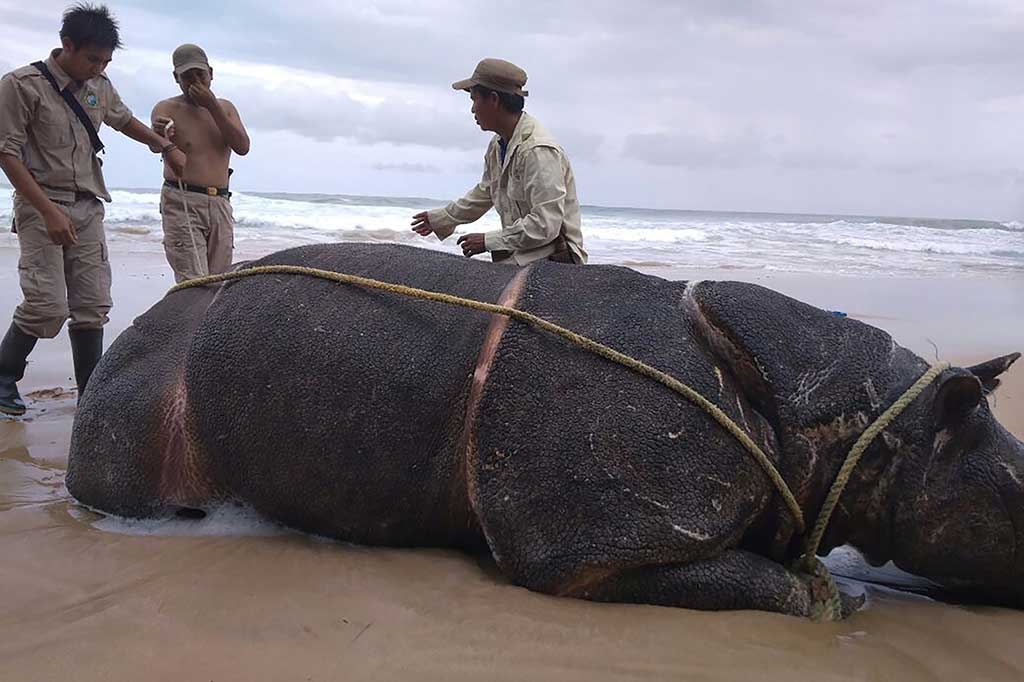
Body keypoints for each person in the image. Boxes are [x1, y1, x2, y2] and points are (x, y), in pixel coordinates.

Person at [0, 3, 186, 416]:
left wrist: (166, 147)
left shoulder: (98, 84)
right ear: (66, 45)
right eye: (92, 59)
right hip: (40, 205)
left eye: (106, 61)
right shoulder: (21, 85)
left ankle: (92, 394)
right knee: (47, 305)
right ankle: (3, 374)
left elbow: (124, 120)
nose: (99, 67)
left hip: (88, 205)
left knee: (92, 305)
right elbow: (7, 153)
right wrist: (47, 211)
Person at [411, 58, 586, 266]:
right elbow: (485, 192)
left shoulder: (538, 151)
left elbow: (545, 225)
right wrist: (442, 218)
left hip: (555, 260)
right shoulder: (498, 144)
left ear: (493, 99)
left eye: (474, 99)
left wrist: (487, 241)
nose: (473, 109)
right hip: (522, 253)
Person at [151, 43, 250, 283]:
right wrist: (161, 134)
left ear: (211, 74)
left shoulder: (225, 108)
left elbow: (242, 146)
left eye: (200, 75)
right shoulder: (167, 108)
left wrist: (212, 105)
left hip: (219, 202)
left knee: (219, 281)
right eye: (187, 76)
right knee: (193, 282)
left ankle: (209, 322)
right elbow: (155, 146)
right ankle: (186, 320)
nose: (195, 82)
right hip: (182, 200)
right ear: (176, 78)